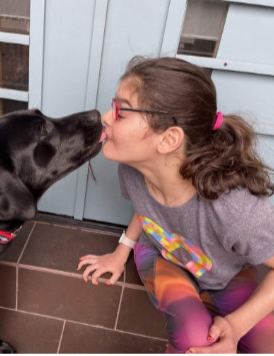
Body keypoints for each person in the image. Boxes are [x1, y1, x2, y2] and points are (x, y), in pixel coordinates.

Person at [77, 56, 274, 353]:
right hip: (160, 255)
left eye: (121, 110)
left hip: (225, 274)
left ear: (169, 139)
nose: (106, 116)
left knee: (265, 341)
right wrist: (121, 251)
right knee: (195, 333)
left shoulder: (237, 211)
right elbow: (146, 210)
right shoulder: (131, 171)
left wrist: (236, 325)